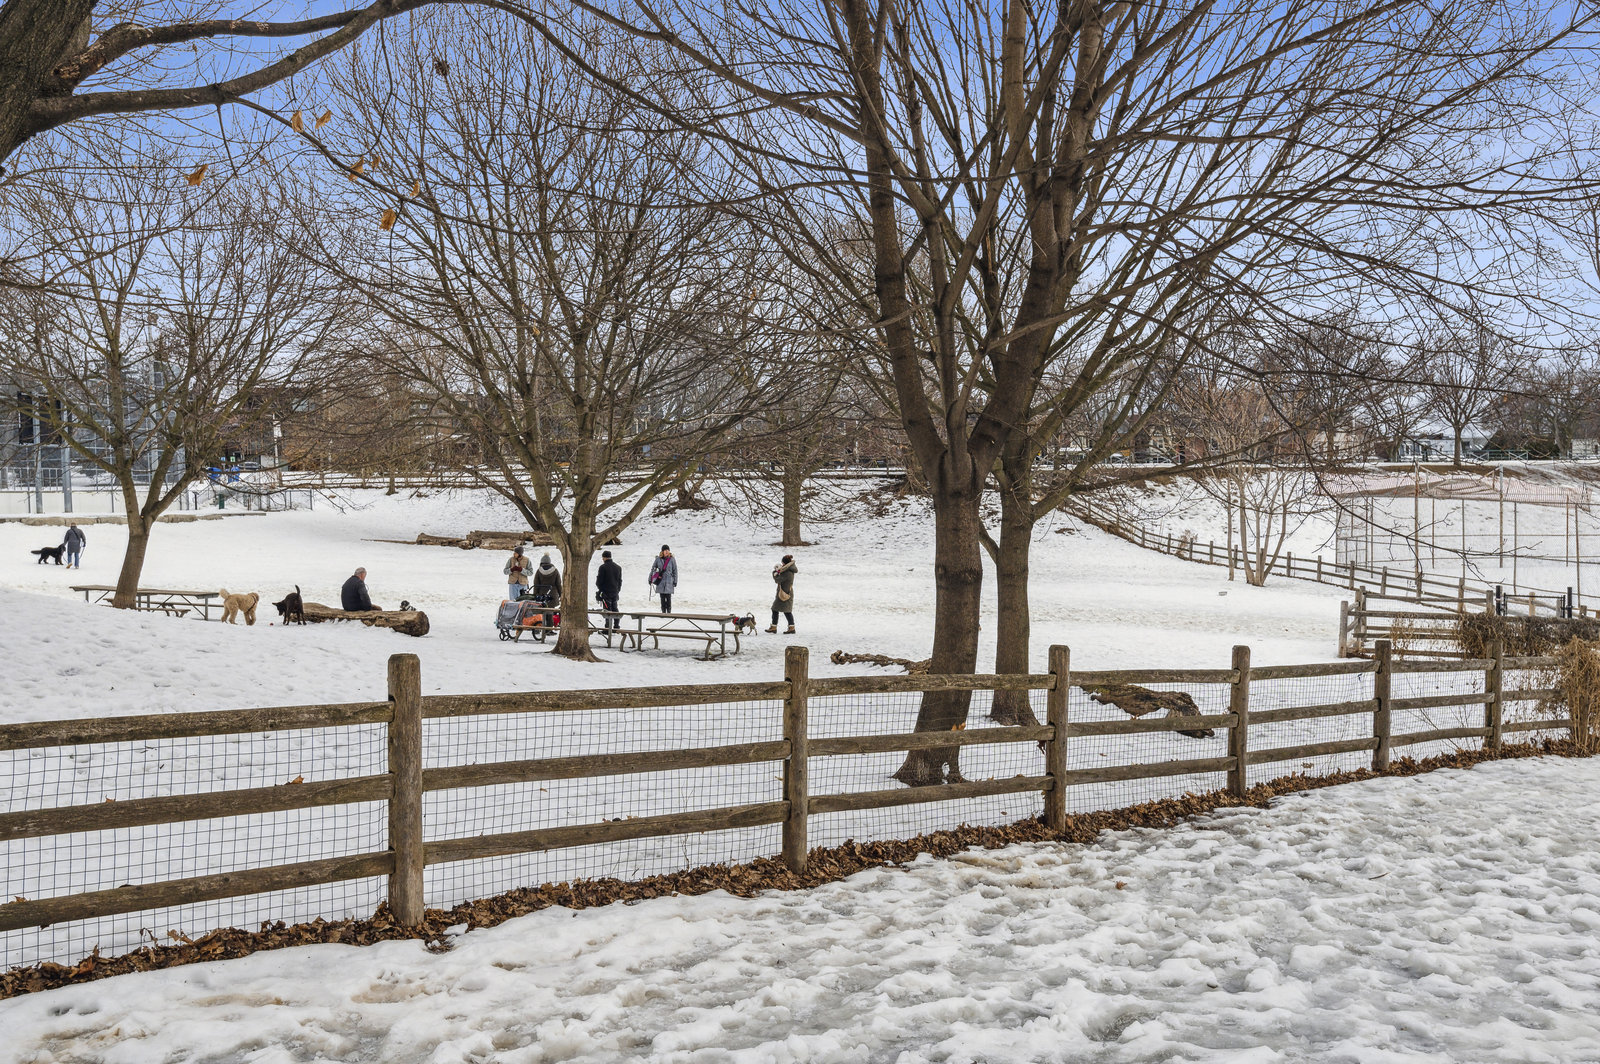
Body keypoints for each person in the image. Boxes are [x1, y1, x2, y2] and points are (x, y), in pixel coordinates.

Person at [769, 554, 798, 633]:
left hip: (785, 594)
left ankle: (775, 627)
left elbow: (778, 580)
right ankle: (790, 627)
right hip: (785, 593)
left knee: (780, 610)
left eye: (782, 563)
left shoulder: (787, 572)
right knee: (784, 611)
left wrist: (774, 572)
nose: (782, 565)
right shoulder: (788, 569)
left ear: (785, 563)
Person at [595, 550, 623, 629]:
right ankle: (616, 625)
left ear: (604, 557)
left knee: (607, 609)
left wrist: (600, 589)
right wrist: (618, 590)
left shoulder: (602, 567)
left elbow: (599, 581)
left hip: (606, 592)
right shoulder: (618, 567)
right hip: (615, 591)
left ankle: (608, 627)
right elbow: (620, 581)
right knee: (615, 608)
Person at [648, 545, 678, 613]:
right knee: (662, 598)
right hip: (660, 581)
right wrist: (650, 579)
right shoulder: (658, 559)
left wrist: (675, 581)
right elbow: (653, 569)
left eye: (668, 550)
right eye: (665, 550)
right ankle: (663, 612)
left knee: (668, 598)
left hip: (669, 582)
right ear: (662, 551)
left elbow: (675, 571)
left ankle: (669, 613)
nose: (667, 551)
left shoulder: (672, 559)